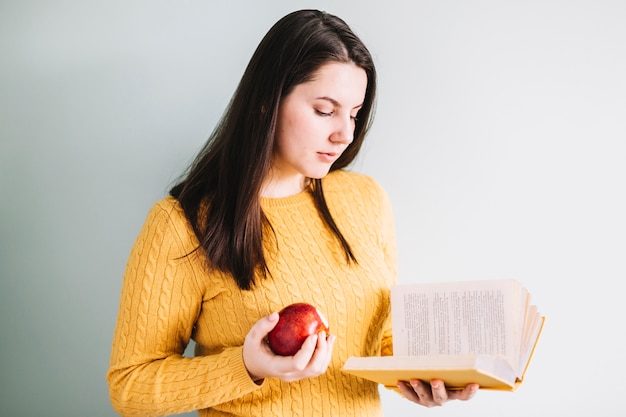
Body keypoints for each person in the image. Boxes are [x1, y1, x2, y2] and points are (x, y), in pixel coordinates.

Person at [106, 9, 478, 417]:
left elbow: (378, 337)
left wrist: (423, 376)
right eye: (324, 110)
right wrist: (247, 366)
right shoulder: (182, 224)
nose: (345, 134)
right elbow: (130, 387)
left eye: (354, 113)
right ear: (267, 102)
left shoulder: (365, 200)